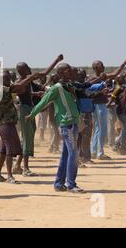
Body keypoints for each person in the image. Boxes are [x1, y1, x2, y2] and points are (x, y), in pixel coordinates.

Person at [26, 63, 85, 193]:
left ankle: (59, 183)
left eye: (70, 70)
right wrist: (33, 113)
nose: (71, 73)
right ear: (61, 73)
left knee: (66, 154)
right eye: (68, 71)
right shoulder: (57, 88)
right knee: (74, 154)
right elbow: (44, 101)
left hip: (72, 123)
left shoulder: (69, 86)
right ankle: (71, 184)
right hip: (67, 125)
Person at [0, 70, 44, 183]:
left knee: (4, 150)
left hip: (5, 123)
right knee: (9, 150)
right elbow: (21, 85)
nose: (9, 80)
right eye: (6, 78)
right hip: (6, 124)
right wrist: (32, 77)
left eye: (9, 78)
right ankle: (9, 176)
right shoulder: (4, 89)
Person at [13, 55, 64, 176]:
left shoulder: (29, 81)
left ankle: (18, 166)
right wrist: (56, 60)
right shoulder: (20, 82)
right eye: (26, 67)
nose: (29, 68)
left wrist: (39, 92)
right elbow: (22, 92)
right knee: (27, 139)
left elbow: (44, 76)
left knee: (26, 138)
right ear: (22, 70)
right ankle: (25, 168)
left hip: (30, 109)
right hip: (25, 111)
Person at [91, 58, 126, 160]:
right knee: (101, 129)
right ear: (96, 68)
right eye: (101, 65)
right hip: (99, 106)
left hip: (96, 105)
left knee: (97, 129)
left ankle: (94, 151)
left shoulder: (100, 77)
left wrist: (123, 64)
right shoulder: (95, 78)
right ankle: (100, 153)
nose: (104, 66)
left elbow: (115, 73)